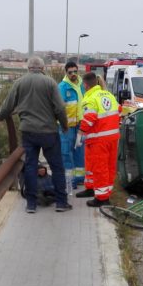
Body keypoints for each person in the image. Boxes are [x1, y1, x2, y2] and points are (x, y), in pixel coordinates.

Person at [0, 56, 72, 213]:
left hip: (28, 132)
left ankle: (31, 204)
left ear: (28, 68)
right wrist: (64, 125)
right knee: (57, 167)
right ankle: (61, 202)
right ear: (43, 68)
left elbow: (8, 105)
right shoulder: (50, 83)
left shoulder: (20, 82)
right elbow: (59, 108)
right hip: (49, 132)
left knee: (30, 166)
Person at [74, 71, 120, 207]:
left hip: (99, 139)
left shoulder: (89, 99)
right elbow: (119, 109)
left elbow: (89, 118)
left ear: (86, 85)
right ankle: (92, 188)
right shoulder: (109, 95)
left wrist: (80, 133)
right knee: (106, 166)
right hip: (112, 137)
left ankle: (101, 198)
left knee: (100, 167)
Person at [58, 61, 85, 192]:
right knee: (66, 153)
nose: (73, 74)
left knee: (79, 151)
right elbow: (59, 107)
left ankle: (80, 179)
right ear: (66, 73)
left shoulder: (81, 85)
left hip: (79, 125)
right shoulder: (62, 87)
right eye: (70, 72)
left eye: (75, 71)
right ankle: (70, 181)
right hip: (66, 126)